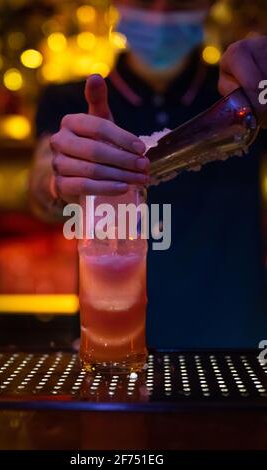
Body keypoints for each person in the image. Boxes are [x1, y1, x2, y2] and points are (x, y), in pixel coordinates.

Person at [30, 0, 267, 348]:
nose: (159, 11)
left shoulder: (242, 97)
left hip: (235, 343)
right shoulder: (68, 98)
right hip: (110, 345)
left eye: (177, 1)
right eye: (144, 1)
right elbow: (39, 186)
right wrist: (59, 180)